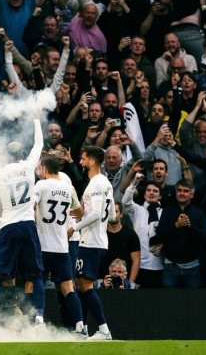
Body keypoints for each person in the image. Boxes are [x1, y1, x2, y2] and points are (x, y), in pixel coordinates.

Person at [0, 118, 45, 326]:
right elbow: (39, 144)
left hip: (8, 226)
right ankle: (38, 318)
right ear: (21, 154)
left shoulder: (0, 174)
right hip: (27, 224)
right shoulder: (29, 166)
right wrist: (36, 120)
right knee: (35, 273)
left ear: (7, 156)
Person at [33, 155, 86, 336]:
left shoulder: (41, 185)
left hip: (43, 244)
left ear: (45, 169)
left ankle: (38, 319)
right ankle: (80, 325)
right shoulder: (68, 188)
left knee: (37, 279)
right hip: (63, 247)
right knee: (68, 288)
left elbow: (32, 206)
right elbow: (80, 212)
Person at [67, 145, 115, 340]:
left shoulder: (96, 183)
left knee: (84, 284)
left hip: (91, 240)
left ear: (92, 161)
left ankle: (104, 330)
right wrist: (83, 213)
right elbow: (111, 215)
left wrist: (73, 228)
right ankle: (83, 328)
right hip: (98, 239)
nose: (81, 162)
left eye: (83, 158)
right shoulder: (105, 183)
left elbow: (96, 214)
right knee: (81, 283)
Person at [150, 179, 206, 288]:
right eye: (179, 190)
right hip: (170, 265)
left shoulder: (199, 213)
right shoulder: (167, 212)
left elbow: (204, 236)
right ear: (176, 193)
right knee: (170, 302)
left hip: (192, 267)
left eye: (185, 191)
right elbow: (159, 235)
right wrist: (176, 226)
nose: (182, 193)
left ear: (192, 194)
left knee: (193, 302)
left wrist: (189, 226)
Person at [122, 173, 164, 288]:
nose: (151, 193)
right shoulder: (137, 209)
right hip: (139, 266)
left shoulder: (165, 213)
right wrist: (134, 182)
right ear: (144, 195)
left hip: (159, 265)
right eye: (148, 190)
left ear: (160, 196)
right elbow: (125, 201)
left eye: (155, 191)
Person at [98, 201, 140, 283]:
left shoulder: (131, 234)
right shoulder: (100, 234)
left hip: (124, 281)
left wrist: (129, 284)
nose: (113, 215)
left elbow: (136, 260)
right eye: (110, 212)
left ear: (121, 214)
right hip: (102, 281)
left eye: (115, 211)